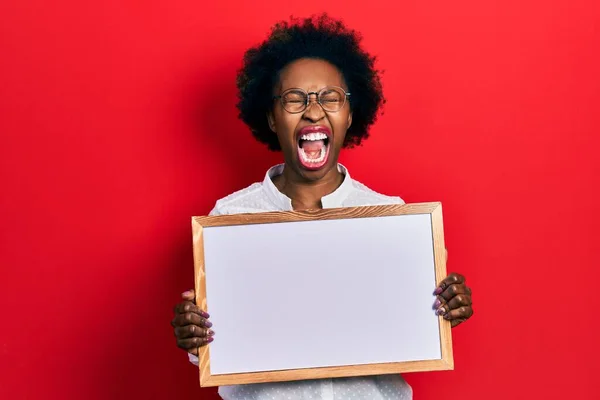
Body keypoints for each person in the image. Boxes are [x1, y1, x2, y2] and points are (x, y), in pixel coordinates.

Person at [171, 14, 473, 400]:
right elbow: (218, 349)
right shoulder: (228, 221)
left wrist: (444, 309)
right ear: (272, 116)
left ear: (349, 114)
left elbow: (414, 324)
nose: (313, 111)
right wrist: (195, 335)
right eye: (294, 98)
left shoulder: (393, 219)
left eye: (330, 97)